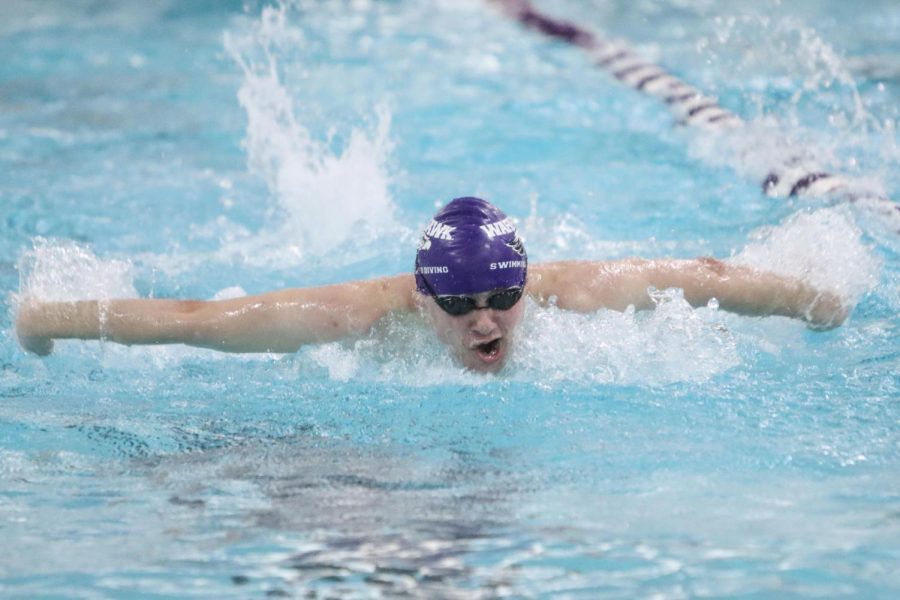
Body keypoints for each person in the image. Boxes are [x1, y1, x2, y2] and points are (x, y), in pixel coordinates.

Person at [15, 196, 847, 373]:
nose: (484, 322)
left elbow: (710, 278)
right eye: (456, 304)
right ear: (422, 298)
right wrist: (47, 319)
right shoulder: (350, 319)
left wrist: (817, 302)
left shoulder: (578, 293)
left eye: (499, 300)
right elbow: (197, 319)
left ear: (527, 286)